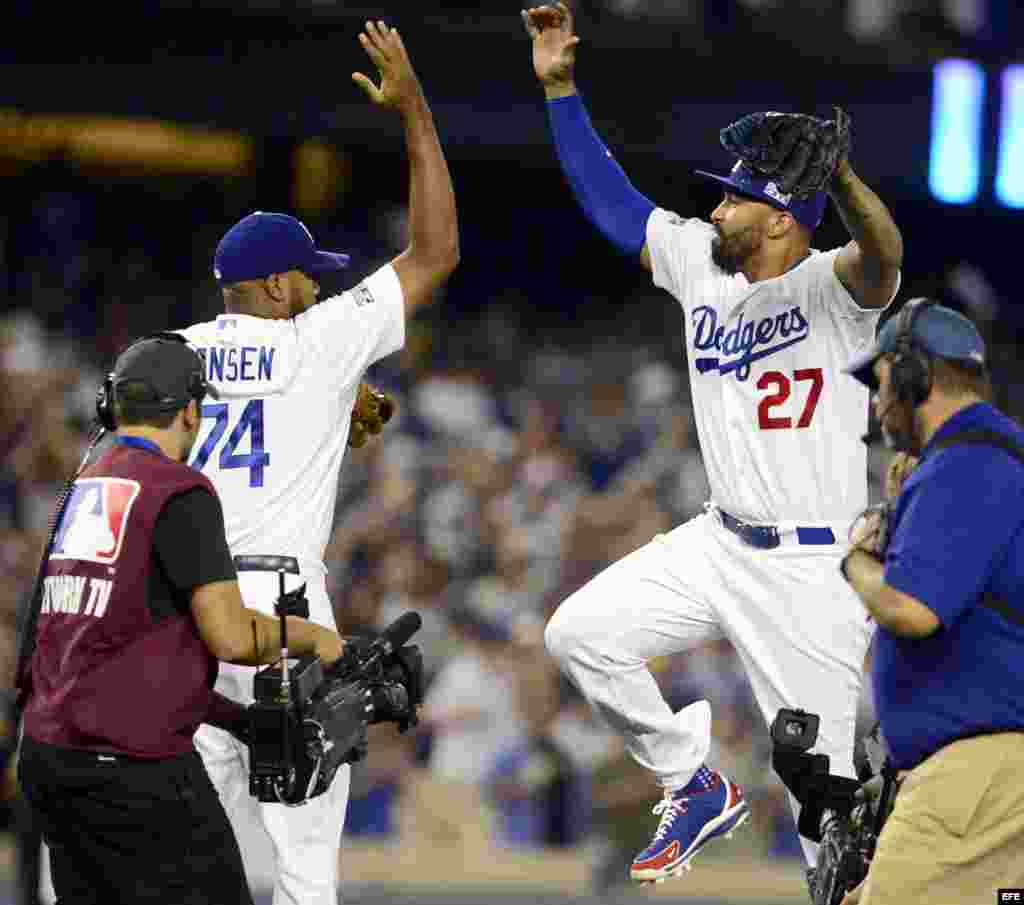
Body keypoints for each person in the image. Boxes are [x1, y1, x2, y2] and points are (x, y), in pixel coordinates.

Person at [520, 2, 904, 886]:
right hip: (718, 538)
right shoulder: (702, 265)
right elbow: (614, 205)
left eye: (734, 197)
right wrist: (561, 91)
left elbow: (883, 255)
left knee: (831, 830)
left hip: (812, 574)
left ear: (780, 218)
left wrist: (841, 177)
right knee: (580, 633)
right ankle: (689, 778)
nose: (716, 207)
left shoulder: (830, 286)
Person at [177, 19, 458, 905]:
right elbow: (436, 251)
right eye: (305, 276)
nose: (318, 287)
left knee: (194, 862)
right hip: (282, 613)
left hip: (185, 611)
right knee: (304, 871)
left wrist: (335, 408)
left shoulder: (167, 355)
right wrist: (414, 112)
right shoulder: (317, 342)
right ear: (270, 287)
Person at [16, 334, 348, 905]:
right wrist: (315, 636)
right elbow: (233, 638)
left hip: (51, 761)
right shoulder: (180, 490)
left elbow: (110, 648)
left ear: (111, 406)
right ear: (191, 410)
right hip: (132, 771)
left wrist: (232, 716)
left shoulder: (87, 486)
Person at [838, 300, 1024, 904]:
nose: (875, 399)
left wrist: (857, 561)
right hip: (987, 779)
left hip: (975, 778)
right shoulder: (982, 461)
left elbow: (910, 609)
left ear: (914, 374)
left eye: (880, 378)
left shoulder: (970, 462)